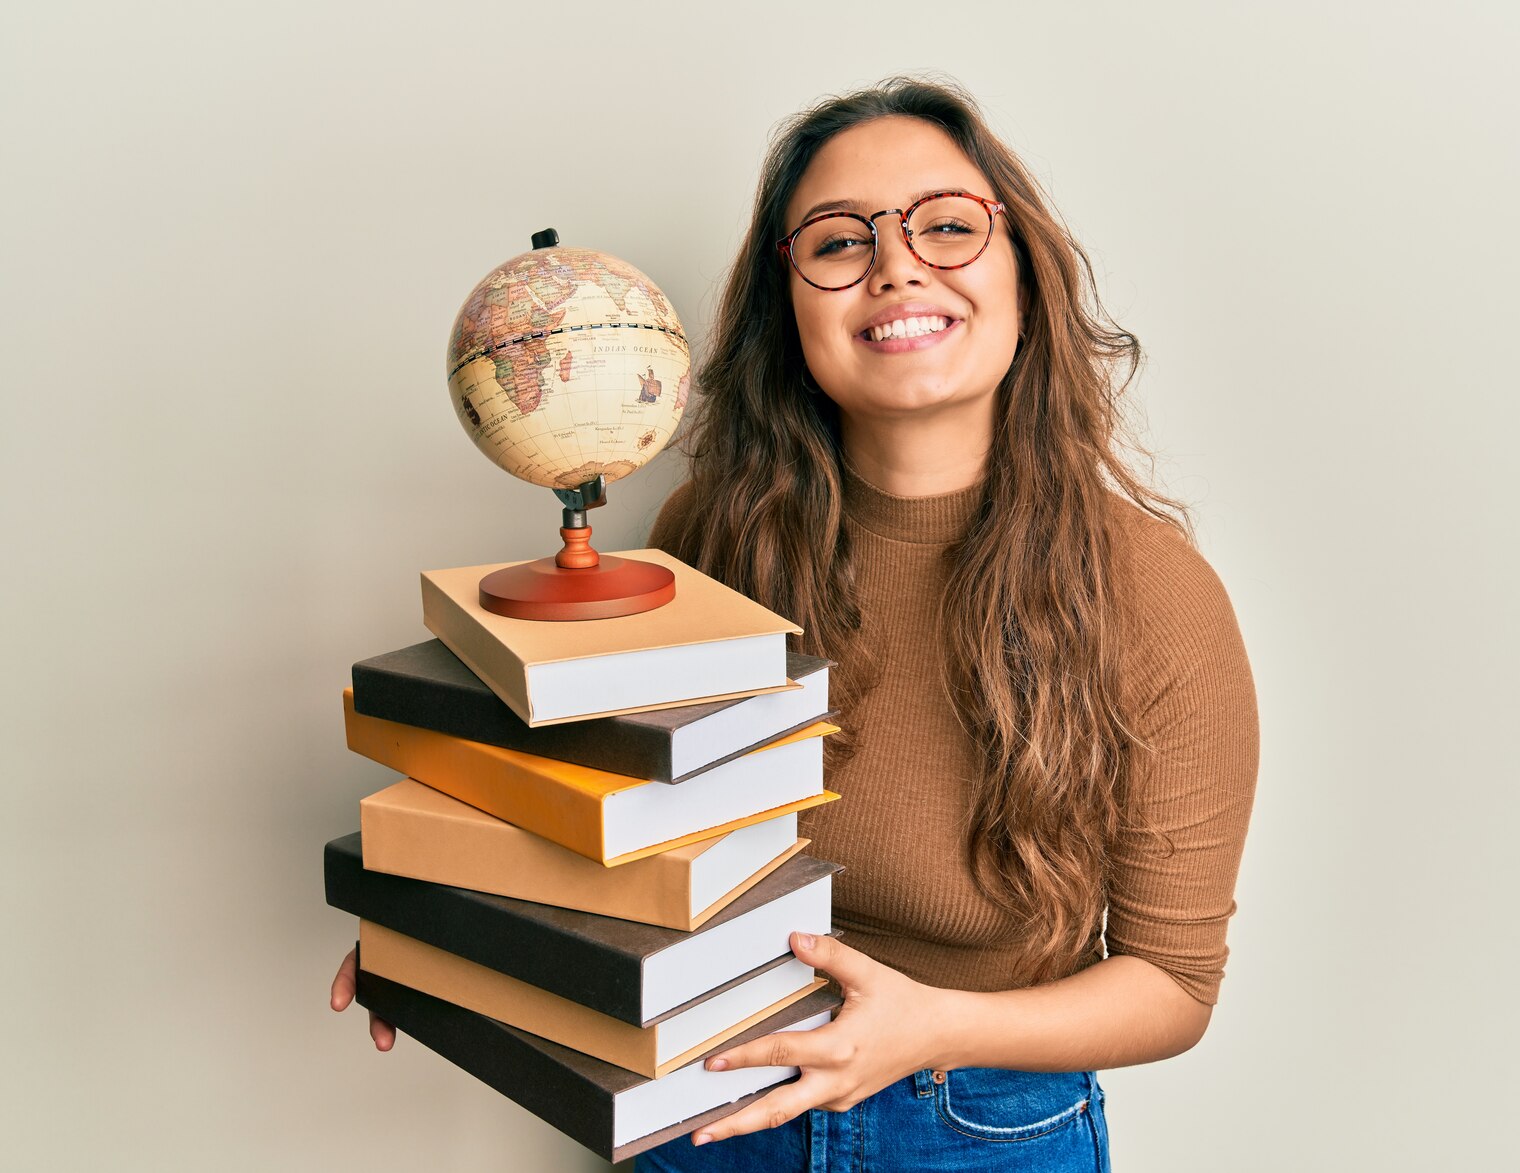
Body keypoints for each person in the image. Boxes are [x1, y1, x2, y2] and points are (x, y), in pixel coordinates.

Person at [332, 75, 1259, 1173]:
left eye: (948, 227)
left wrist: (935, 1026)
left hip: (976, 1127)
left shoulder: (1152, 592)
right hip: (700, 1098)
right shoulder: (708, 539)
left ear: (1023, 272)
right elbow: (608, 817)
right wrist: (455, 932)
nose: (897, 265)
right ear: (791, 305)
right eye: (836, 242)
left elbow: (1171, 986)